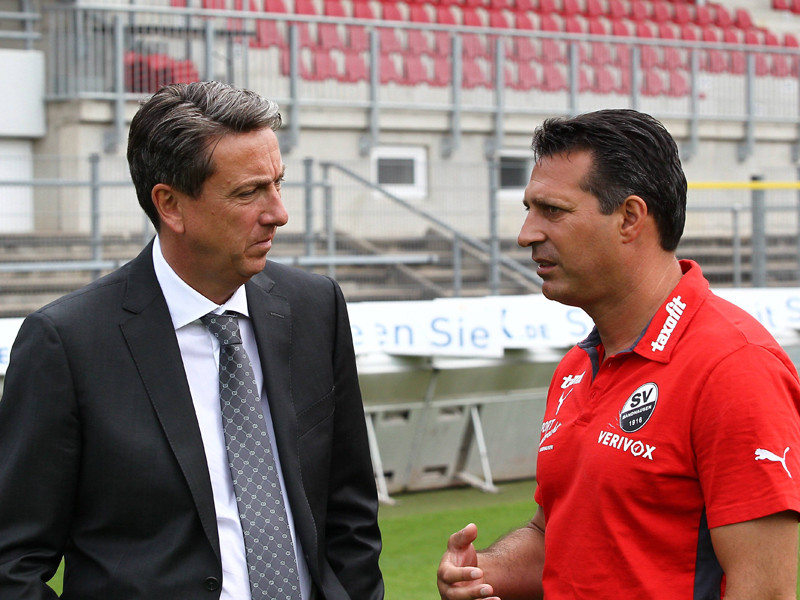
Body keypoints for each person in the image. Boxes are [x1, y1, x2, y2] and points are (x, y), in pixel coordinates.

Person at [0, 81, 383, 600]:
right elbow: (12, 561)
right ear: (170, 205)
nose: (278, 213)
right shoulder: (67, 344)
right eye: (248, 192)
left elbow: (350, 513)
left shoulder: (316, 308)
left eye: (278, 183)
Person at [437, 109, 800, 600]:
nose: (526, 233)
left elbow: (765, 591)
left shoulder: (734, 367)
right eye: (528, 209)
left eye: (552, 210)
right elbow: (554, 535)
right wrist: (484, 571)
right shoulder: (576, 367)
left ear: (630, 217)